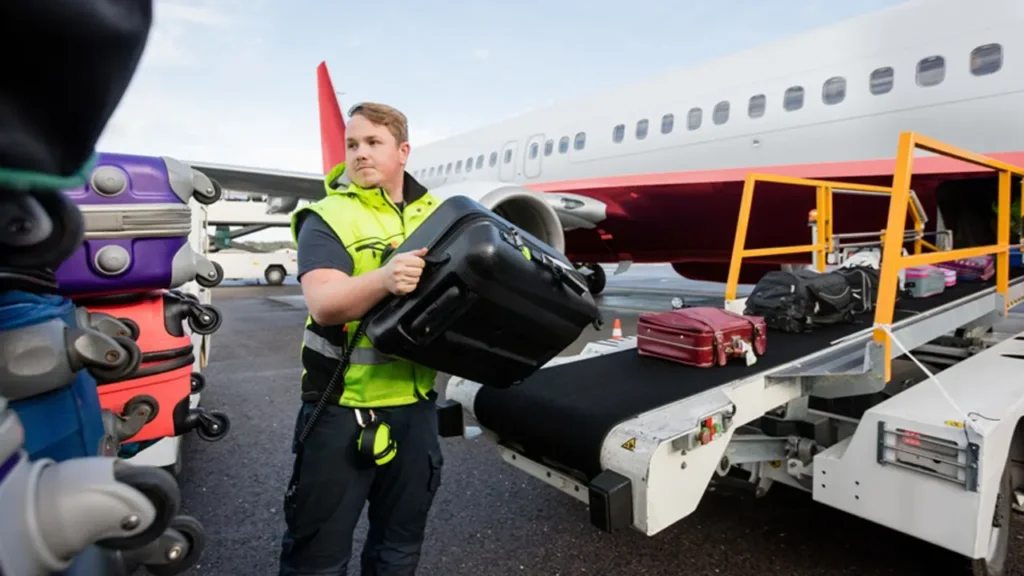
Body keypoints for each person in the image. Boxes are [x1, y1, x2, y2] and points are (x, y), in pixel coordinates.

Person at [279, 102, 444, 576]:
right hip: (341, 407)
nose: (359, 154)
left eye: (373, 143)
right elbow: (326, 303)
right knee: (318, 557)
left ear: (403, 151)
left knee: (398, 550)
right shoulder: (327, 216)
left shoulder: (436, 215)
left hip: (416, 409)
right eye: (352, 144)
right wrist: (385, 278)